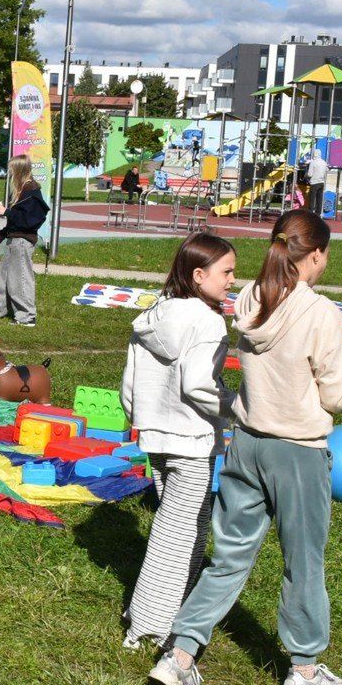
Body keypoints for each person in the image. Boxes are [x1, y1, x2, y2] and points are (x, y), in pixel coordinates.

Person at [150, 210, 342, 685]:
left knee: (229, 558)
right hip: (297, 453)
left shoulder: (252, 296)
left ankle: (180, 655)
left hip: (247, 444)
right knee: (303, 562)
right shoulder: (320, 314)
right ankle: (305, 670)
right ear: (316, 254)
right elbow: (337, 396)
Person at [120, 233, 237, 650]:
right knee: (180, 534)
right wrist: (236, 406)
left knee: (182, 525)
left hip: (157, 437)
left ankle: (151, 613)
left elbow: (130, 383)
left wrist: (141, 421)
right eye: (226, 272)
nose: (232, 280)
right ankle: (153, 625)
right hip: (191, 439)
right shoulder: (206, 320)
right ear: (199, 274)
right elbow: (199, 385)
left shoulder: (156, 312)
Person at [0, 156, 48, 327]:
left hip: (23, 242)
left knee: (20, 279)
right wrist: (1, 235)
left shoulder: (31, 191)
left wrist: (7, 212)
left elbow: (29, 221)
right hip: (13, 240)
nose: (9, 172)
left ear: (19, 170)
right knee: (3, 277)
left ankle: (27, 317)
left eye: (12, 169)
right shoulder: (21, 189)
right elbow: (15, 220)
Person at [306, 150, 329, 216]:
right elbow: (326, 170)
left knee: (312, 199)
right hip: (322, 182)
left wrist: (306, 174)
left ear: (314, 154)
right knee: (319, 199)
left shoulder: (313, 162)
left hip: (314, 182)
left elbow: (310, 174)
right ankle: (318, 214)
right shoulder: (324, 162)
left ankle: (310, 214)